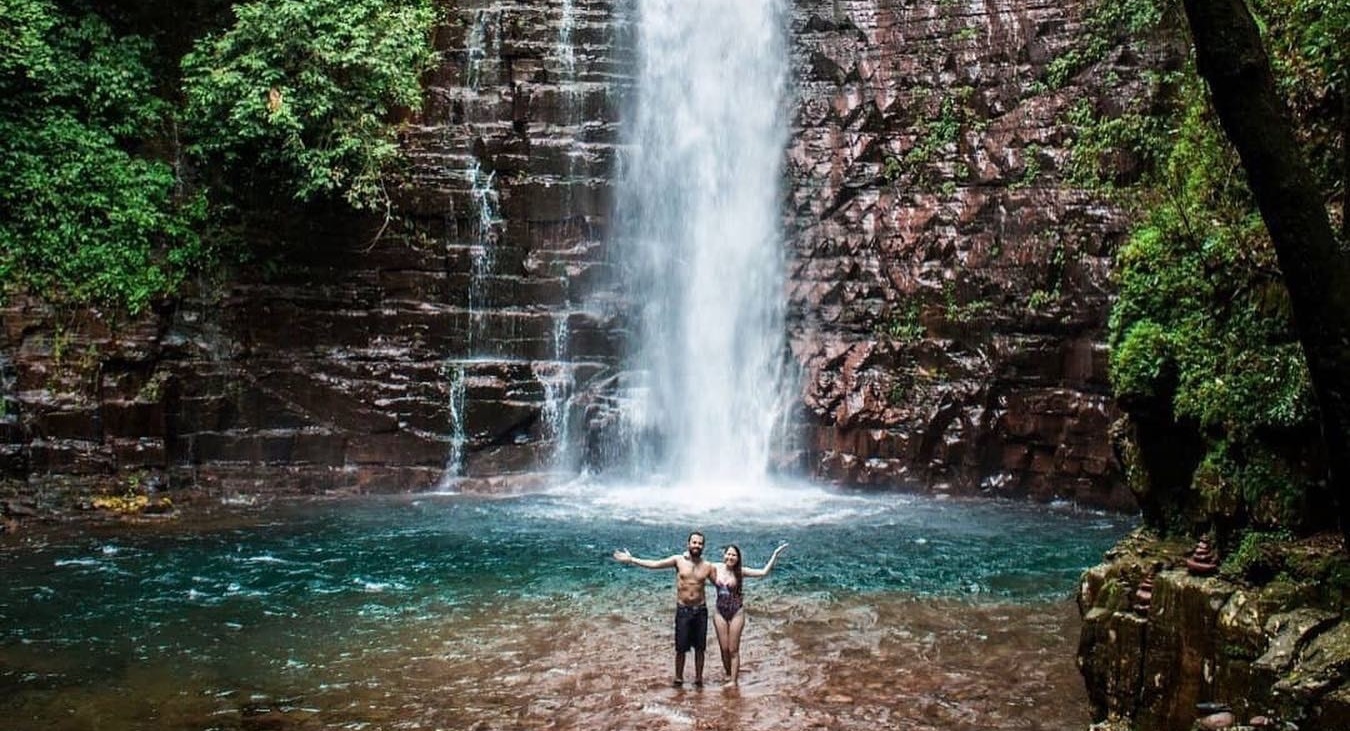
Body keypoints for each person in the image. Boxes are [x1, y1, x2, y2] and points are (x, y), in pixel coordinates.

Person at [613, 531, 717, 686]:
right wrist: (632, 559)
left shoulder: (708, 566)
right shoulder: (678, 560)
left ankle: (699, 680)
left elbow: (721, 585)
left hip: (700, 611)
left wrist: (737, 586)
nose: (697, 545)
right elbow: (655, 564)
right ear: (688, 544)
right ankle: (678, 679)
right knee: (680, 648)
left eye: (700, 543)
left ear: (703, 546)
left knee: (700, 649)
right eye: (694, 542)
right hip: (683, 610)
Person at [710, 542, 788, 686]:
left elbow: (763, 572)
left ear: (738, 558)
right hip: (719, 612)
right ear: (724, 555)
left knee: (733, 649)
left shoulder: (741, 571)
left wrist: (775, 555)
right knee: (724, 648)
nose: (730, 557)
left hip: (736, 612)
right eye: (728, 554)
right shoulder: (715, 568)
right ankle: (728, 674)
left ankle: (733, 681)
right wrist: (686, 556)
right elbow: (698, 564)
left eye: (734, 555)